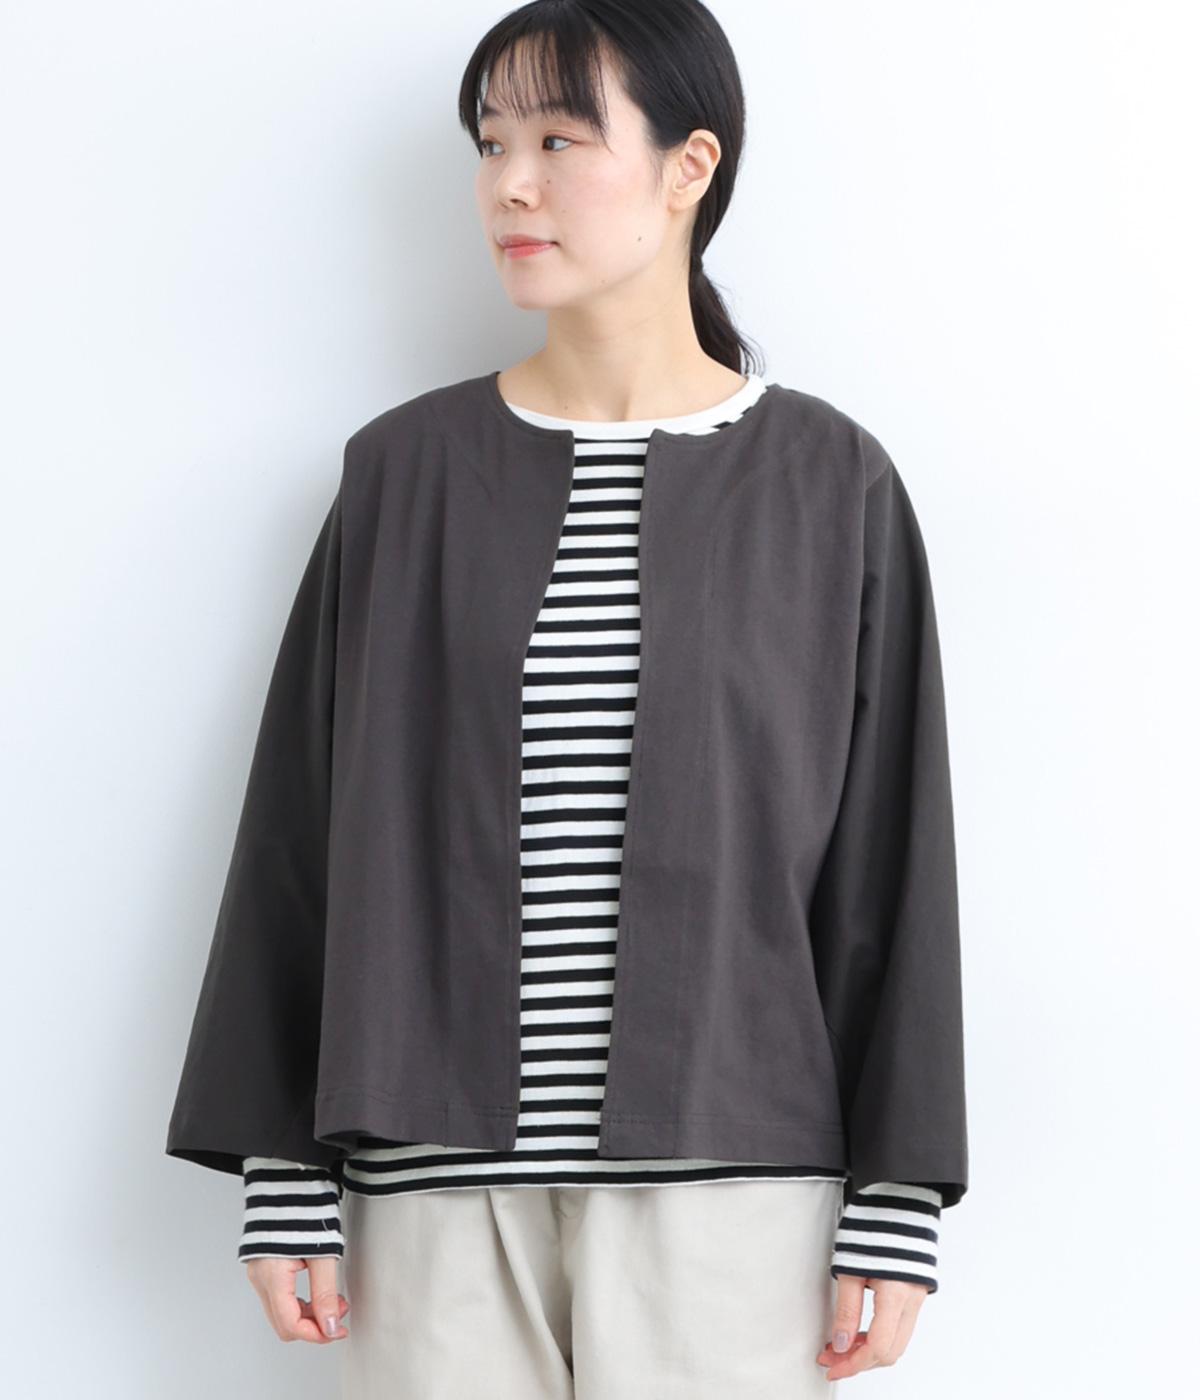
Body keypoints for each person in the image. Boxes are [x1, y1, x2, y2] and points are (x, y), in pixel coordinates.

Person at [166, 2, 968, 1395]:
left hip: (731, 1186)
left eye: (558, 139)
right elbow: (306, 826)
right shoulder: (402, 476)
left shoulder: (830, 486)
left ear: (689, 166)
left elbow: (893, 860)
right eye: (490, 145)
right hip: (434, 1188)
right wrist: (283, 1167)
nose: (510, 186)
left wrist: (896, 1198)